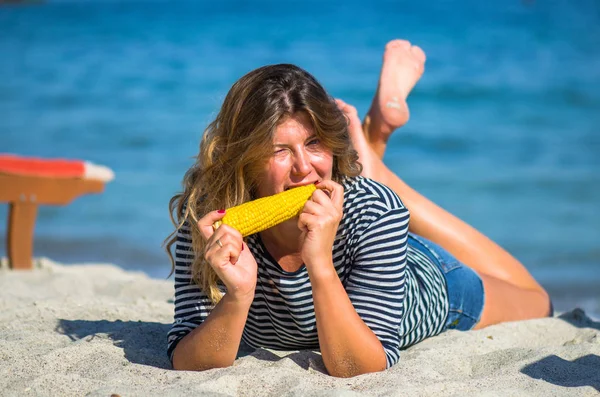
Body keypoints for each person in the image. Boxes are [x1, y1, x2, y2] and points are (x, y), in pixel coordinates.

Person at [165, 40, 552, 378]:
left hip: (433, 285)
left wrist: (321, 265)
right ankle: (375, 141)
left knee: (538, 301)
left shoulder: (375, 212)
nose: (304, 168)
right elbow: (189, 361)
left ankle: (378, 167)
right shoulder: (210, 219)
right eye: (280, 150)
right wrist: (238, 295)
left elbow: (360, 367)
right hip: (367, 245)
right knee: (366, 193)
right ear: (245, 160)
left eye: (316, 143)